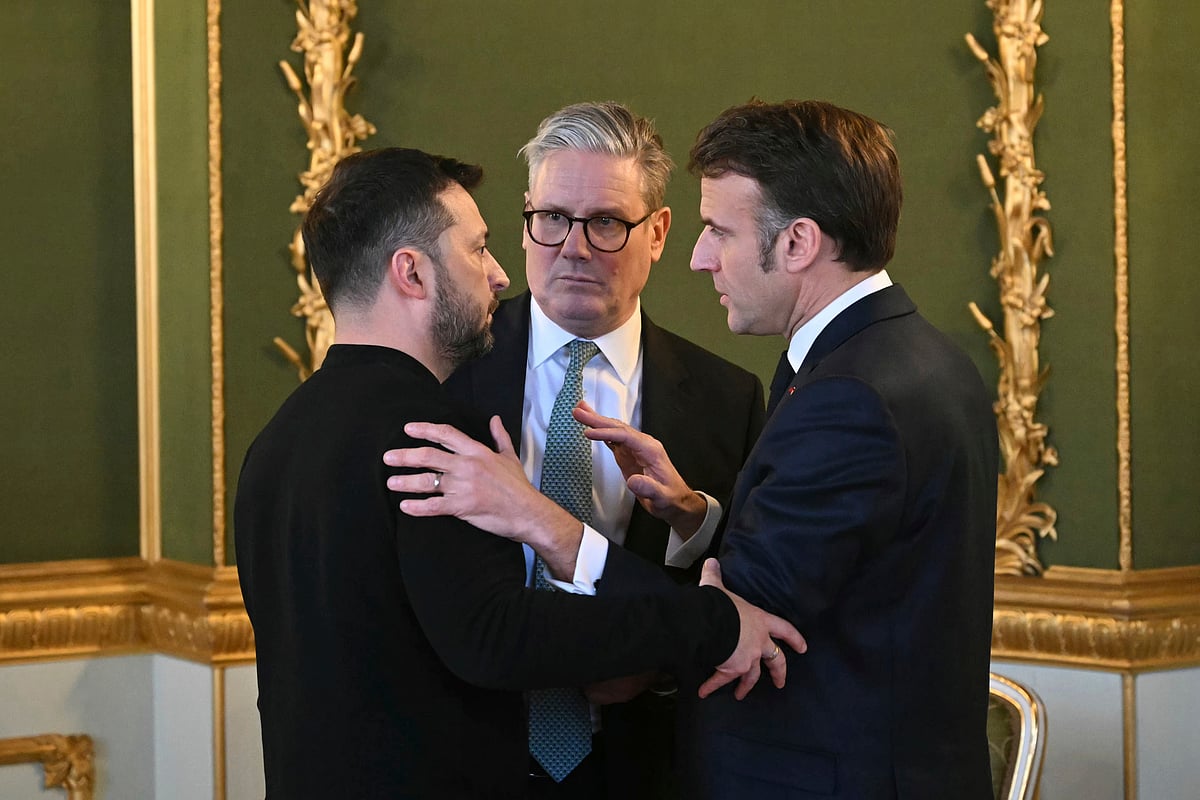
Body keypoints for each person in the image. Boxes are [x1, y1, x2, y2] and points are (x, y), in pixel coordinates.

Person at [389, 99, 1000, 798]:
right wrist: (699, 523)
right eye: (551, 219)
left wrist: (544, 523)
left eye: (717, 231)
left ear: (796, 243)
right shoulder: (431, 376)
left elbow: (734, 624)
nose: (701, 258)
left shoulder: (801, 394)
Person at [233, 147, 802, 800]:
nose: (501, 275)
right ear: (412, 273)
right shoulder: (434, 434)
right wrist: (713, 623)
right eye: (476, 251)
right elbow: (496, 634)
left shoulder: (277, 438)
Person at [441, 101, 765, 799]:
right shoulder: (442, 374)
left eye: (608, 223)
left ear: (659, 232)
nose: (575, 247)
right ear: (526, 220)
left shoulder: (725, 398)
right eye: (552, 218)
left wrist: (693, 521)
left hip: (648, 768)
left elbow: (739, 592)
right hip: (468, 753)